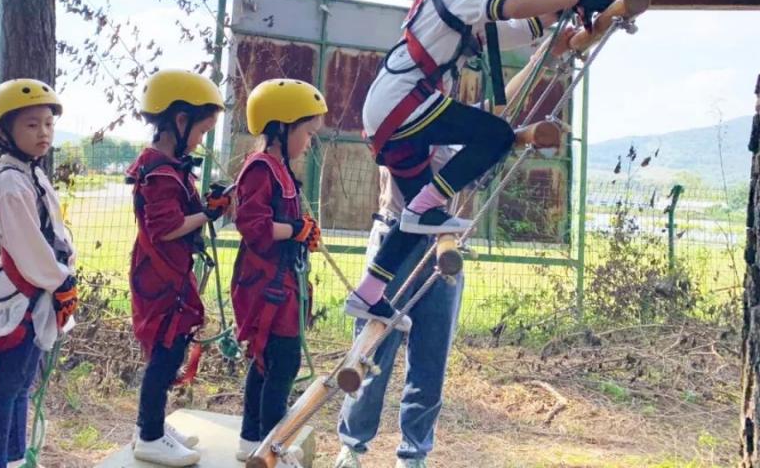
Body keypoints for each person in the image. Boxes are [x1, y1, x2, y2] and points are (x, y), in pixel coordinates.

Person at [346, 0, 612, 326]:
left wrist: (561, 15)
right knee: (496, 135)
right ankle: (422, 207)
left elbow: (517, 29)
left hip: (394, 113)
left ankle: (369, 292)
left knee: (415, 224)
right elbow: (507, 6)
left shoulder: (459, 8)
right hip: (403, 103)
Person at [335, 30, 574, 468]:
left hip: (444, 251)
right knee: (373, 351)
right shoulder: (400, 120)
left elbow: (499, 111)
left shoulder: (449, 126)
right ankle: (352, 446)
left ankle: (413, 453)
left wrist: (542, 53)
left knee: (430, 356)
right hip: (395, 242)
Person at [127, 69, 226, 467]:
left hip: (169, 272)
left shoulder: (169, 166)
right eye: (201, 131)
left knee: (170, 350)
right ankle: (150, 436)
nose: (202, 140)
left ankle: (151, 425)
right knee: (166, 353)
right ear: (180, 121)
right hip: (160, 276)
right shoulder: (162, 172)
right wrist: (208, 213)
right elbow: (166, 228)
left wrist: (206, 208)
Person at [0, 79, 78, 468]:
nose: (44, 133)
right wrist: (60, 280)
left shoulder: (30, 174)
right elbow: (28, 246)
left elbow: (54, 232)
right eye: (32, 125)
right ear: (3, 131)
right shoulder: (8, 181)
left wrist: (63, 276)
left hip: (40, 292)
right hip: (23, 295)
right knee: (7, 387)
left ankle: (15, 459)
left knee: (21, 385)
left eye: (48, 124)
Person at [232, 79, 327, 464]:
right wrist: (296, 230)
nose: (309, 142)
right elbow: (253, 225)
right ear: (282, 127)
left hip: (281, 281)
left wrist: (302, 231)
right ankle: (272, 446)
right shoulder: (261, 169)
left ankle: (251, 438)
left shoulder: (279, 169)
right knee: (282, 362)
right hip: (266, 287)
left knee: (268, 360)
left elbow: (281, 222)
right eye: (307, 133)